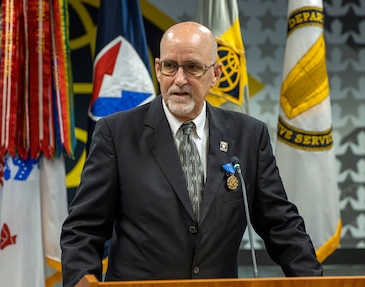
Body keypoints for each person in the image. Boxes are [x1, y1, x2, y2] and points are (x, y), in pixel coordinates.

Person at [60, 21, 323, 286]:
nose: (179, 80)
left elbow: (281, 225)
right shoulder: (117, 134)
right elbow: (83, 230)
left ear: (216, 74)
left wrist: (314, 283)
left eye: (193, 67)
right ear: (158, 70)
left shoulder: (248, 136)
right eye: (170, 66)